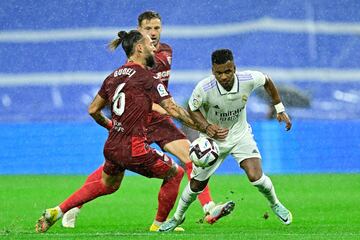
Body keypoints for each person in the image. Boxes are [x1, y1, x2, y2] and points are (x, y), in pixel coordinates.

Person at [61, 10, 232, 231]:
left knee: (191, 156)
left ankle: (208, 207)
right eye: (148, 29)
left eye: (157, 28)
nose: (153, 33)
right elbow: (134, 94)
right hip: (137, 119)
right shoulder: (138, 60)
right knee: (111, 172)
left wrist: (165, 108)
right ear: (139, 32)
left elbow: (159, 90)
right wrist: (161, 107)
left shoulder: (167, 52)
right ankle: (74, 206)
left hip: (159, 121)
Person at [35, 30, 206, 233]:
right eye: (149, 44)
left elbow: (93, 110)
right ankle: (159, 226)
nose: (154, 48)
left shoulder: (113, 76)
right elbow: (173, 109)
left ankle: (58, 210)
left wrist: (111, 126)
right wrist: (204, 127)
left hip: (112, 145)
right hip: (134, 147)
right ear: (139, 48)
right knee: (175, 173)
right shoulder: (146, 77)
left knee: (109, 185)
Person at [159, 49, 293, 232]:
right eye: (218, 72)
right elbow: (192, 108)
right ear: (213, 70)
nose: (223, 76)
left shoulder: (248, 79)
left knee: (256, 176)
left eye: (227, 71)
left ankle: (276, 204)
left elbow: (267, 81)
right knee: (196, 185)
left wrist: (279, 108)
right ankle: (177, 218)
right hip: (212, 142)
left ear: (234, 68)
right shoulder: (204, 88)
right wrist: (207, 127)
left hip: (240, 135)